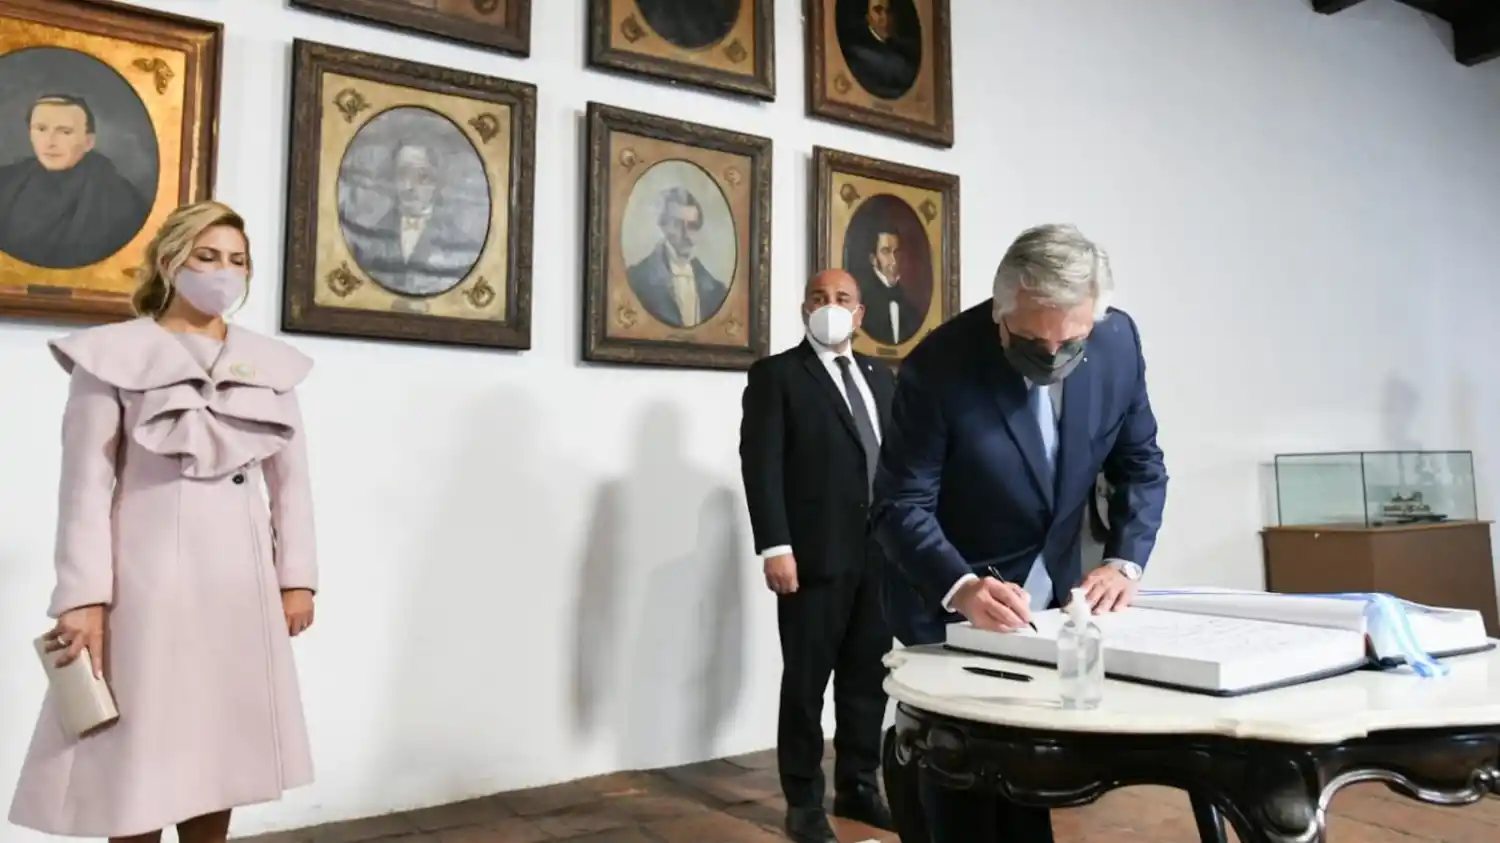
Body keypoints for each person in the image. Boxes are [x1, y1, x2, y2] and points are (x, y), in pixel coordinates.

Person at [8, 200, 319, 843]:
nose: (222, 272)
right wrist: (83, 598)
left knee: (219, 746)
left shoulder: (269, 364)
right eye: (206, 256)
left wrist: (297, 579)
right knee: (139, 751)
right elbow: (85, 487)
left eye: (236, 260)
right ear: (170, 262)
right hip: (143, 582)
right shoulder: (113, 355)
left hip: (238, 584)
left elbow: (291, 485)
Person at [871, 224, 1176, 842]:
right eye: (1036, 340)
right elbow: (900, 505)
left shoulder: (1118, 342)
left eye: (1074, 340)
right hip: (953, 604)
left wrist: (1125, 562)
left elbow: (1141, 465)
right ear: (1001, 313)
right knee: (957, 789)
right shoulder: (939, 366)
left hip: (1054, 605)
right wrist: (959, 585)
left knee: (1026, 779)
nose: (1056, 355)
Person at [739, 269, 896, 843]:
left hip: (879, 557)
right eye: (819, 298)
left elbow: (895, 464)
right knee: (806, 682)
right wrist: (776, 546)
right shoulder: (778, 375)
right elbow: (762, 466)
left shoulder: (883, 377)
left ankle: (859, 784)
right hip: (811, 557)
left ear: (860, 314)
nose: (830, 307)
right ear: (804, 308)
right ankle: (803, 800)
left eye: (843, 299)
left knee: (867, 680)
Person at [0, 93, 152, 270]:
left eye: (65, 132)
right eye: (41, 129)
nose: (50, 142)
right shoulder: (6, 182)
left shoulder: (122, 199)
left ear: (88, 142)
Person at [626, 186, 730, 329]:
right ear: (662, 226)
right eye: (677, 225)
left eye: (692, 226)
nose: (687, 235)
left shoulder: (717, 291)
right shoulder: (637, 280)